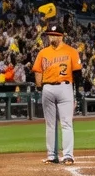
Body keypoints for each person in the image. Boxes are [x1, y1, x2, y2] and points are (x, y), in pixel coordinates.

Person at [33, 26, 81, 164]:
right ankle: (52, 155)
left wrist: (76, 93)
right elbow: (37, 71)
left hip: (65, 87)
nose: (51, 37)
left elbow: (77, 74)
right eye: (50, 35)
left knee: (66, 123)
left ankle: (68, 155)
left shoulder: (71, 51)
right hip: (47, 87)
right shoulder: (43, 52)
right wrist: (39, 88)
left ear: (61, 36)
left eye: (54, 35)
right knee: (50, 124)